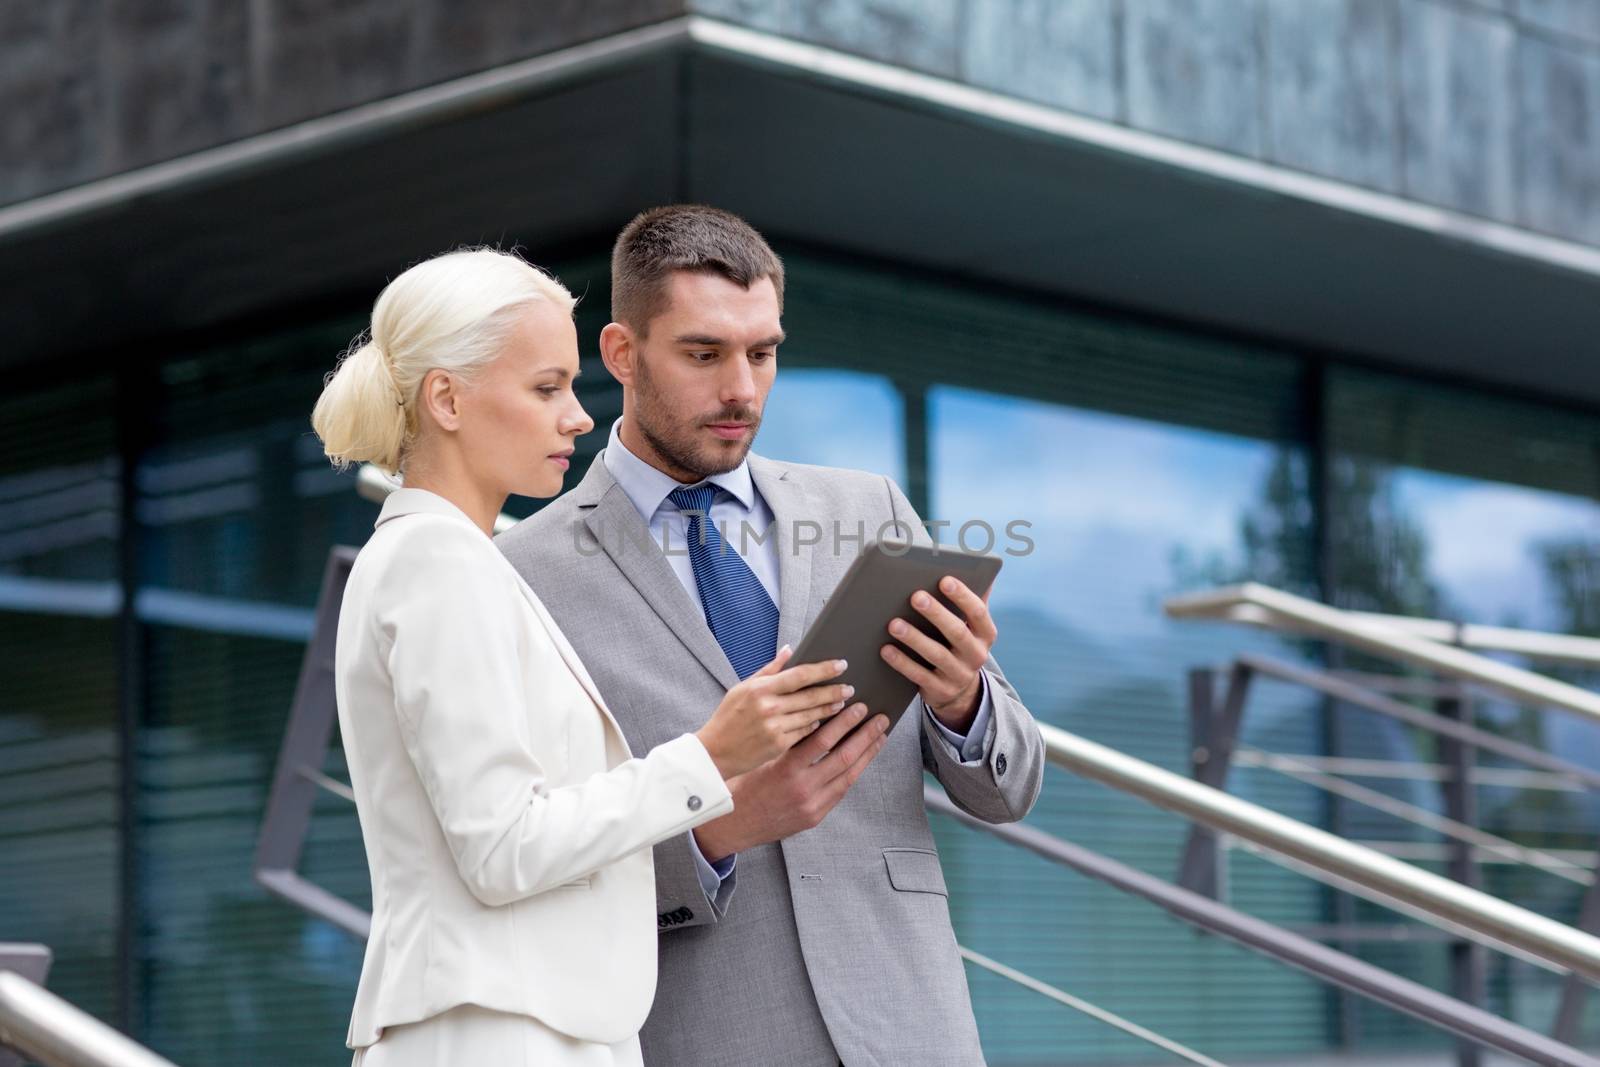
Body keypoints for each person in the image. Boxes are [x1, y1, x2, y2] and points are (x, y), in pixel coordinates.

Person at [497, 208, 1045, 1066]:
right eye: (705, 354)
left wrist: (962, 697)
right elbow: (525, 864)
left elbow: (1008, 790)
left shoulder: (868, 513)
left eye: (764, 353)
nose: (743, 391)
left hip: (911, 1024)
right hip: (703, 1030)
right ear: (620, 354)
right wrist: (715, 830)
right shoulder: (523, 574)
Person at [310, 247, 860, 1066]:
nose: (577, 415)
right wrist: (711, 756)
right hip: (497, 1031)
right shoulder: (438, 560)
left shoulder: (455, 559)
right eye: (545, 388)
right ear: (447, 398)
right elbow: (504, 847)